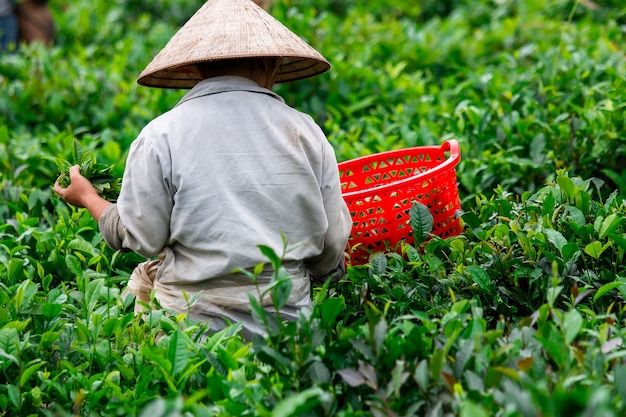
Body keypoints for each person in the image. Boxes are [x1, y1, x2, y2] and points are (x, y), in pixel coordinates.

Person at [54, 0, 352, 339]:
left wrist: (88, 197)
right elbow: (331, 244)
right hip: (286, 330)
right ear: (272, 62)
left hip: (188, 331)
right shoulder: (305, 131)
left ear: (195, 67)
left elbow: (142, 237)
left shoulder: (160, 134)